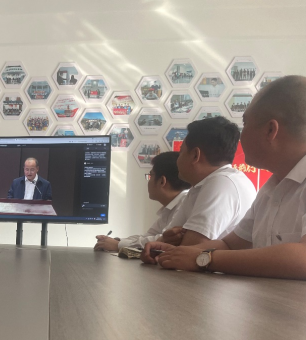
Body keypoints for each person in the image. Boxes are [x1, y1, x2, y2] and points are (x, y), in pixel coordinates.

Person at [142, 76, 306, 280]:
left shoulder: (224, 183)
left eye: (245, 123)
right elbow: (230, 244)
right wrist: (177, 252)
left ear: (270, 130)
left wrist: (204, 259)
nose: (240, 136)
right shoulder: (271, 189)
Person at [139, 116, 256, 257]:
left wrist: (169, 245)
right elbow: (167, 239)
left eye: (181, 152)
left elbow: (190, 249)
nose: (177, 161)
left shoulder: (222, 183)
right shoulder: (198, 188)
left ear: (195, 155)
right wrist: (166, 244)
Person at [94, 152, 190, 252]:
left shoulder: (185, 202)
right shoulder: (170, 208)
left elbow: (162, 240)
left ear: (162, 181)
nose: (148, 181)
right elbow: (148, 236)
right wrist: (116, 241)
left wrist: (118, 245)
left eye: (150, 176)